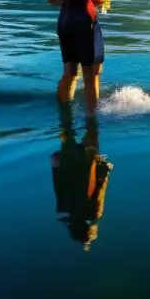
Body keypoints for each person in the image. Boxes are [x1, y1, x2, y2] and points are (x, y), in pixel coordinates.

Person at [50, 105, 112, 251]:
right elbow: (59, 186)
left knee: (91, 128)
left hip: (86, 163)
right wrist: (55, 166)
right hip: (67, 163)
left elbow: (99, 189)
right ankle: (68, 105)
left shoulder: (94, 212)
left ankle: (87, 106)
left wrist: (105, 167)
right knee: (66, 128)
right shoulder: (65, 207)